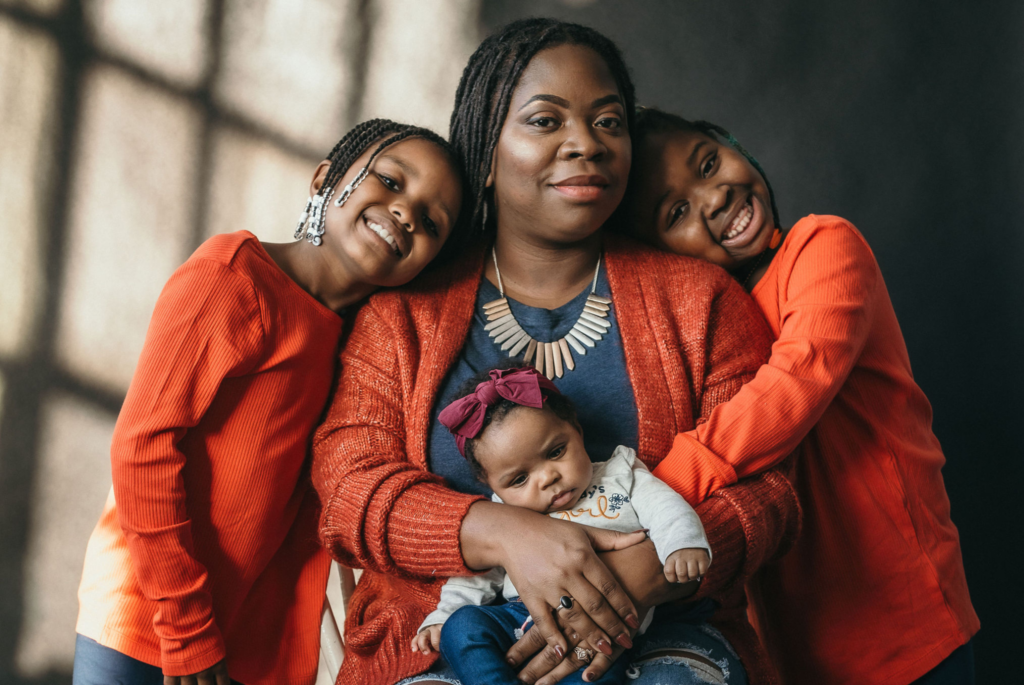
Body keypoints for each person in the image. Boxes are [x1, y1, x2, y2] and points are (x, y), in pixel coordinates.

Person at [311, 19, 800, 685]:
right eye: (546, 120)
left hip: (663, 638)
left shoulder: (702, 301)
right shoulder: (400, 317)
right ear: (484, 152)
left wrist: (632, 579)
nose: (586, 144)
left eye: (608, 123)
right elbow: (346, 490)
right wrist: (504, 534)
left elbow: (770, 490)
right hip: (444, 650)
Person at [72, 119, 467, 685]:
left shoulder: (360, 346)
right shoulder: (233, 277)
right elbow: (142, 447)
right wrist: (186, 629)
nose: (406, 213)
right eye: (390, 180)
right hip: (154, 619)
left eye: (431, 221)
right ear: (325, 178)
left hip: (246, 644)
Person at [624, 107, 979, 685]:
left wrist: (648, 494)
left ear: (732, 141)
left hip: (905, 613)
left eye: (708, 163)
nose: (712, 198)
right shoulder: (704, 328)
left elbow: (794, 381)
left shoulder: (822, 245)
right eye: (677, 211)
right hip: (796, 638)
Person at [412, 365, 712, 684]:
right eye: (519, 479)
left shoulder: (621, 474)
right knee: (462, 628)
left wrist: (683, 544)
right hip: (517, 617)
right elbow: (476, 578)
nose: (548, 477)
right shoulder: (503, 512)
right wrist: (442, 617)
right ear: (492, 486)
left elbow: (665, 508)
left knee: (591, 671)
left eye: (556, 452)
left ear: (577, 431)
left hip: (605, 620)